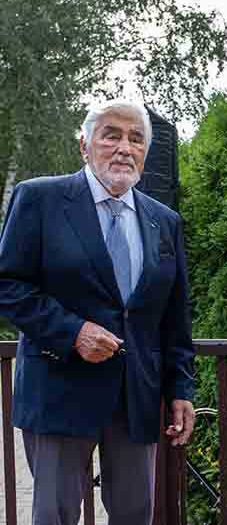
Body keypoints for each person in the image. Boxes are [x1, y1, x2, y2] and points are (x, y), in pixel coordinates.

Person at [0, 100, 196, 525]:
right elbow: (8, 285)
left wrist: (181, 388)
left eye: (136, 138)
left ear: (145, 151)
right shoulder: (39, 199)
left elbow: (174, 316)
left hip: (137, 397)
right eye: (112, 135)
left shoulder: (165, 221)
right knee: (55, 516)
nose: (125, 147)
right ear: (85, 145)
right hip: (58, 389)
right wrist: (72, 332)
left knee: (135, 515)